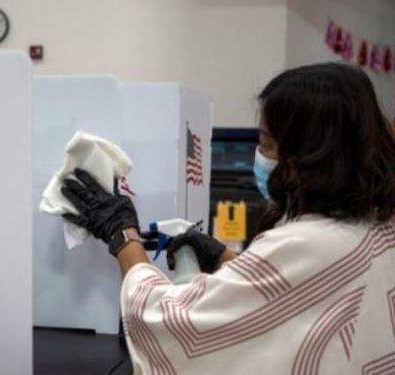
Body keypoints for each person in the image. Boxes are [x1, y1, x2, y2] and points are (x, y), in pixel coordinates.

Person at [60, 63, 395, 374]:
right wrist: (227, 259)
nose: (261, 157)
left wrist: (122, 235)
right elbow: (304, 295)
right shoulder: (378, 222)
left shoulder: (313, 243)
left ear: (309, 155)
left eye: (266, 144)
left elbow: (173, 325)